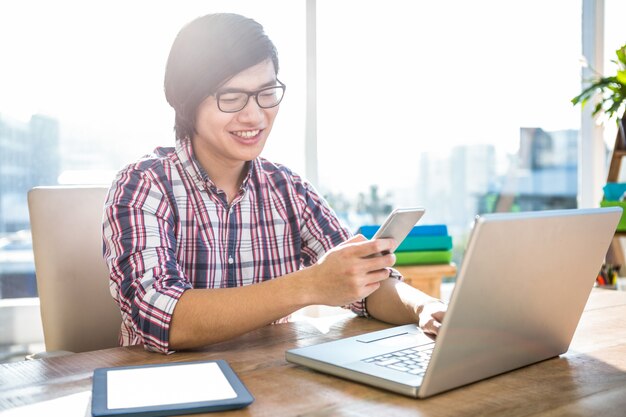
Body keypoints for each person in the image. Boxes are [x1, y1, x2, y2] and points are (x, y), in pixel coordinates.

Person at [102, 13, 446, 354]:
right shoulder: (143, 185)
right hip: (164, 392)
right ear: (186, 100)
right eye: (231, 97)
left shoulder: (288, 189)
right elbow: (163, 317)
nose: (254, 116)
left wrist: (424, 308)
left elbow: (363, 283)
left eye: (267, 92)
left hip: (271, 388)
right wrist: (308, 285)